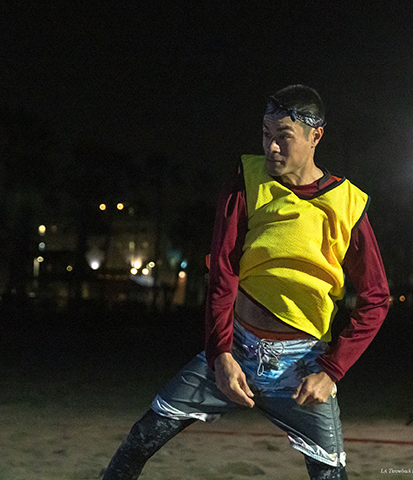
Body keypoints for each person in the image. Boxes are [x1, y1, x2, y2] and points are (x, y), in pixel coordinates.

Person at [102, 84, 389, 480]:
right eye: (266, 134)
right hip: (235, 346)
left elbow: (376, 298)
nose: (272, 147)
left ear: (315, 136)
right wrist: (220, 354)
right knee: (140, 440)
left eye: (283, 136)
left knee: (330, 474)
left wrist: (331, 371)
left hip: (302, 363)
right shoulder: (247, 180)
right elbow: (223, 273)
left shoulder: (348, 203)